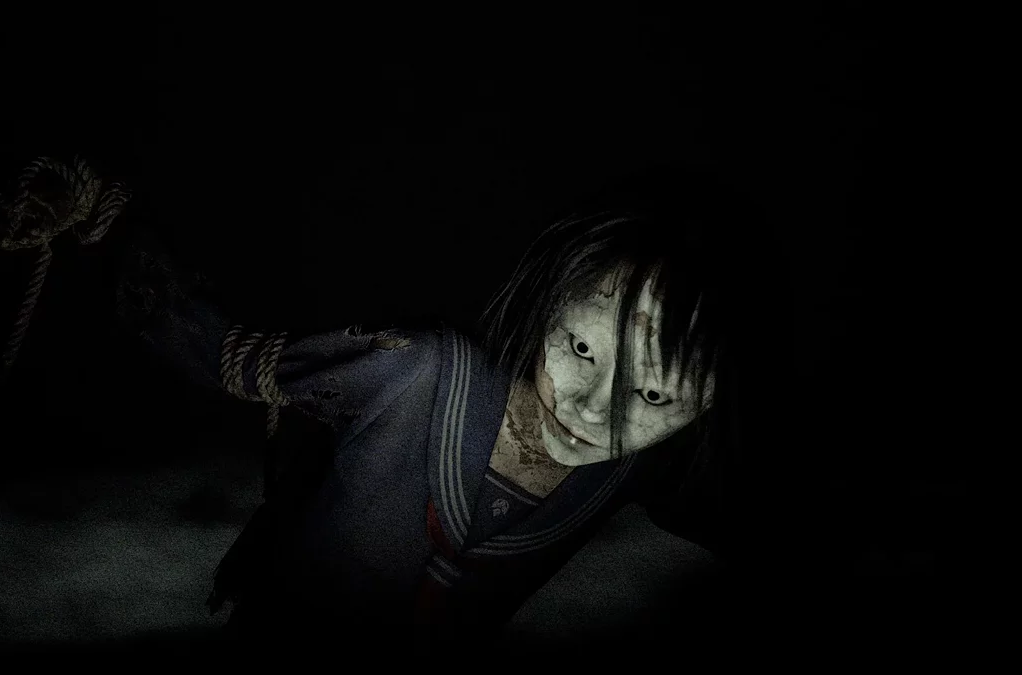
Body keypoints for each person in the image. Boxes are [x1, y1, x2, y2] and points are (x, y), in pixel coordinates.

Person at [112, 164, 783, 656]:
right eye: (581, 347)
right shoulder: (418, 372)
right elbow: (231, 354)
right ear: (552, 299)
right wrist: (111, 228)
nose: (590, 412)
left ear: (709, 403)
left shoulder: (631, 470)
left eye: (654, 394)